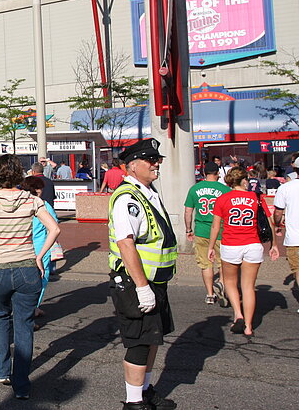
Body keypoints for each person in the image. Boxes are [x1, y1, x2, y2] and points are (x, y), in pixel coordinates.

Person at [0, 155, 60, 400]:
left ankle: (2, 369)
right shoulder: (32, 200)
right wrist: (40, 256)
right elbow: (55, 228)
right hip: (26, 267)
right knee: (24, 325)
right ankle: (21, 383)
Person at [107, 138, 177, 410]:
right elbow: (126, 244)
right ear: (133, 166)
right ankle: (133, 402)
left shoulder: (148, 191)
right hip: (135, 283)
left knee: (152, 338)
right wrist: (141, 287)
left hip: (153, 280)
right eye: (150, 159)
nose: (156, 163)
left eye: (157, 159)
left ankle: (145, 390)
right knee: (139, 342)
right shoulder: (128, 198)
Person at [209, 166, 279, 336]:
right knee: (248, 287)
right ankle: (248, 326)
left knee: (231, 283)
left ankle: (238, 314)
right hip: (253, 244)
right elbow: (269, 222)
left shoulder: (223, 199)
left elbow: (216, 225)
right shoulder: (255, 197)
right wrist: (274, 244)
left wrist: (211, 246)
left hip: (231, 244)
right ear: (244, 180)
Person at [183, 161, 231, 306]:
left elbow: (188, 211)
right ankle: (222, 285)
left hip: (202, 230)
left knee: (206, 264)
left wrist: (188, 229)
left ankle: (210, 294)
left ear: (204, 173)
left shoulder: (194, 189)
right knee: (222, 262)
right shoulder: (225, 190)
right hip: (221, 231)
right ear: (218, 174)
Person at [20, 175, 59, 318]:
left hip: (22, 247)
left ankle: (24, 309)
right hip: (41, 247)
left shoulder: (20, 204)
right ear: (38, 190)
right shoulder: (43, 205)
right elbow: (54, 227)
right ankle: (33, 309)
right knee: (42, 279)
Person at [273, 174, 299, 311]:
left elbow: (278, 212)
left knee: (298, 270)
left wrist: (277, 224)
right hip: (294, 237)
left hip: (295, 237)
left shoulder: (286, 188)